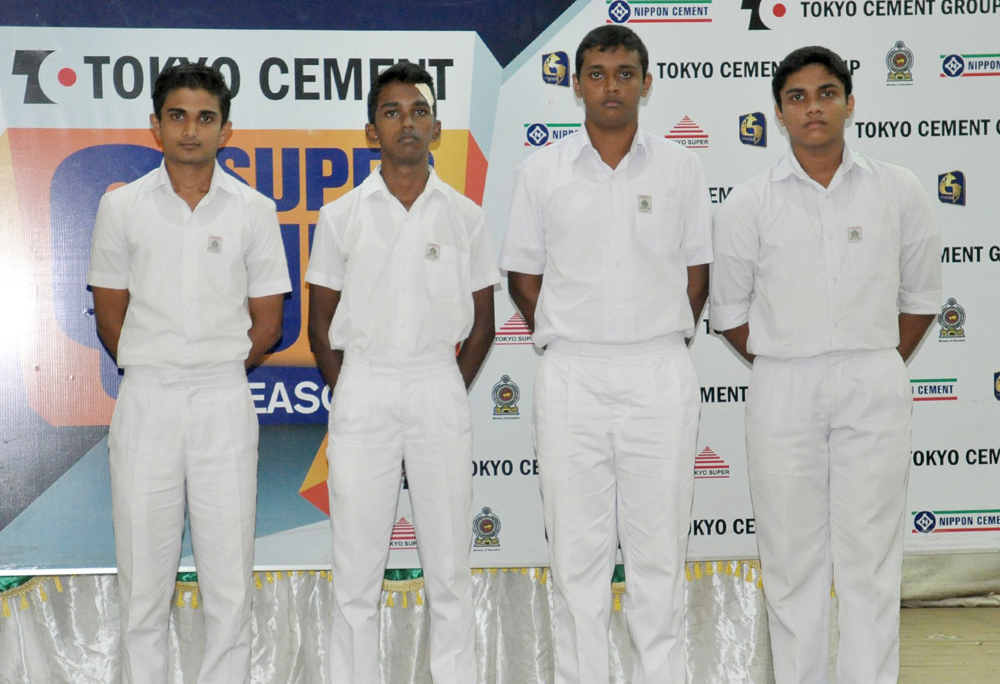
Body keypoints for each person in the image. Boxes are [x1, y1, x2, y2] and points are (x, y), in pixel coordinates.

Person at [710, 46, 942, 684]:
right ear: (780, 112)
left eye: (826, 94)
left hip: (873, 378)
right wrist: (792, 357)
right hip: (783, 383)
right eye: (798, 97)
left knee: (870, 559)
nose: (813, 108)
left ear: (849, 102)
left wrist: (871, 359)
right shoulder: (748, 202)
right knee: (791, 560)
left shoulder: (898, 188)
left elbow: (922, 299)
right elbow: (729, 312)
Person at [499, 25, 712, 684]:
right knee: (576, 561)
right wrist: (576, 331)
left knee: (659, 559)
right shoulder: (542, 171)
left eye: (625, 74)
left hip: (659, 371)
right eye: (597, 74)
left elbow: (697, 273)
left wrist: (652, 334)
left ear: (646, 83)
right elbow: (523, 276)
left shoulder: (681, 168)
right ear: (576, 85)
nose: (611, 86)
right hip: (572, 374)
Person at [87, 63, 291, 684]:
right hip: (146, 398)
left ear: (225, 130)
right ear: (156, 125)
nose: (191, 130)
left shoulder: (254, 210)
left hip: (223, 398)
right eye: (177, 116)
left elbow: (268, 324)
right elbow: (110, 318)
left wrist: (211, 364)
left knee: (228, 582)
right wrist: (164, 363)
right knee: (143, 585)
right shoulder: (121, 206)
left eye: (205, 118)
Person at [306, 62, 498, 684]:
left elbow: (485, 324)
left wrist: (442, 387)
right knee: (355, 572)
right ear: (372, 131)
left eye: (419, 112)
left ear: (436, 128)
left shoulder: (465, 216)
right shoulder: (341, 216)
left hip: (437, 382)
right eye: (392, 112)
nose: (406, 123)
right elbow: (319, 325)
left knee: (449, 569)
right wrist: (354, 390)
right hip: (363, 385)